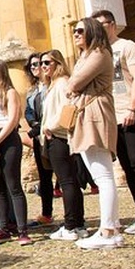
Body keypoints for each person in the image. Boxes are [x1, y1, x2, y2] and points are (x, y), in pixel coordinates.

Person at [92, 10, 135, 239]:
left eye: (103, 25)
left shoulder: (127, 46)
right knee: (125, 164)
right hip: (111, 117)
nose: (100, 30)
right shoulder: (99, 53)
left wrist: (133, 107)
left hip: (130, 113)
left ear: (112, 25)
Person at [67, 17, 122, 250]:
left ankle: (108, 230)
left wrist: (73, 85)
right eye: (74, 31)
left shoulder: (98, 54)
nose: (76, 34)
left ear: (92, 31)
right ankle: (113, 227)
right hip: (89, 112)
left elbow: (74, 83)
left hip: (95, 113)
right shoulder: (87, 56)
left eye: (80, 30)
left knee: (103, 176)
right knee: (102, 174)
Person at [0, 60, 31, 246]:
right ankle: (3, 229)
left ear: (0, 71)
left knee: (13, 185)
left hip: (7, 140)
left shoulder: (10, 92)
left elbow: (12, 119)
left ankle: (22, 229)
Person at [39, 49, 88, 241]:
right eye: (42, 63)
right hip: (55, 136)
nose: (43, 66)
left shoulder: (61, 84)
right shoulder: (53, 85)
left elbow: (67, 110)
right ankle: (77, 223)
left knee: (67, 181)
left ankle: (71, 225)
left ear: (57, 63)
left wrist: (50, 127)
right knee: (70, 181)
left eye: (47, 63)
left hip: (58, 137)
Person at [23, 53, 54, 228]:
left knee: (64, 176)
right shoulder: (32, 90)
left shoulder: (52, 86)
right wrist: (34, 124)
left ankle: (75, 218)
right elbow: (28, 111)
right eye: (32, 66)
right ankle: (46, 213)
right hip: (38, 135)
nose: (35, 68)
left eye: (38, 64)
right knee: (44, 176)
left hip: (53, 133)